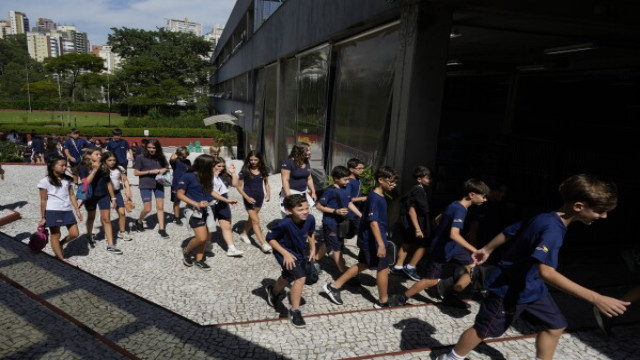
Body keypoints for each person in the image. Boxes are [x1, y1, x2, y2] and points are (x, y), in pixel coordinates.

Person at [438, 174, 629, 360]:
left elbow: (511, 230)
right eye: (599, 210)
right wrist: (596, 298)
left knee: (555, 326)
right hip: (508, 290)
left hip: (533, 288)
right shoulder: (552, 231)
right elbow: (546, 272)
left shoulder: (545, 216)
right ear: (578, 206)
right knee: (483, 330)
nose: (603, 216)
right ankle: (451, 357)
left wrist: (487, 249)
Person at [390, 178, 490, 308]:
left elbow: (438, 219)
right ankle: (401, 298)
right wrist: (475, 250)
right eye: (483, 196)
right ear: (472, 195)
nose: (485, 199)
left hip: (454, 248)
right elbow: (453, 234)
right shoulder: (460, 209)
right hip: (441, 249)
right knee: (430, 281)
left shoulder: (455, 204)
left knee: (473, 268)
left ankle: (451, 297)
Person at [323, 166, 398, 308]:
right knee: (383, 268)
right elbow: (373, 223)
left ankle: (334, 286)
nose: (393, 185)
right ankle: (383, 301)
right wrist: (381, 244)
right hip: (373, 241)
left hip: (370, 239)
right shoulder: (375, 198)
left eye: (395, 182)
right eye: (391, 181)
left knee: (363, 265)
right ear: (381, 180)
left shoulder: (376, 196)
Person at [264, 194, 317, 328]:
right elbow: (270, 239)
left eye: (307, 208)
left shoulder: (310, 219)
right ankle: (294, 311)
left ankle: (273, 292)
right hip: (284, 253)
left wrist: (312, 248)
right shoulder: (283, 223)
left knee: (288, 276)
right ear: (288, 211)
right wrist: (285, 254)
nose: (304, 212)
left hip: (298, 253)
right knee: (300, 278)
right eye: (300, 210)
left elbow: (310, 233)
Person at [315, 165, 362, 274]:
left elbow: (349, 202)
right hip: (330, 223)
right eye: (345, 180)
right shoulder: (330, 191)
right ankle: (343, 272)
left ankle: (314, 260)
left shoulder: (347, 188)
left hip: (341, 223)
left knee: (329, 243)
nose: (347, 182)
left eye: (348, 179)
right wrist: (335, 211)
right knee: (337, 248)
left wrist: (360, 215)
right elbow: (319, 206)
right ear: (336, 178)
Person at [37, 155, 83, 266]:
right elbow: (43, 200)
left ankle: (60, 244)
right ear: (52, 166)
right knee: (55, 234)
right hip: (52, 210)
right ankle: (61, 258)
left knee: (75, 233)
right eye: (61, 165)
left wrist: (77, 210)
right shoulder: (45, 181)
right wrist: (43, 217)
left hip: (67, 210)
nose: (64, 167)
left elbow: (72, 195)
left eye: (65, 165)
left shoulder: (68, 180)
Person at [390, 165, 433, 281]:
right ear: (419, 179)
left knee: (406, 243)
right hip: (414, 224)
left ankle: (398, 267)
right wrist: (418, 228)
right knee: (424, 245)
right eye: (427, 178)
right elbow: (411, 210)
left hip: (409, 224)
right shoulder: (418, 190)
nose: (430, 180)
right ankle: (410, 267)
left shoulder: (417, 190)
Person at [78, 148, 122, 254]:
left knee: (106, 219)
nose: (99, 156)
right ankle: (89, 234)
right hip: (91, 196)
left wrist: (113, 198)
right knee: (91, 217)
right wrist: (94, 169)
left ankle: (111, 244)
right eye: (96, 154)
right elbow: (86, 182)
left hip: (104, 195)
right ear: (89, 155)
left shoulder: (104, 166)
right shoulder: (83, 167)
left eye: (100, 154)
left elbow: (108, 183)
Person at [179, 154, 216, 270]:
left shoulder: (207, 176)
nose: (214, 168)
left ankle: (199, 260)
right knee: (201, 237)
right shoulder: (188, 176)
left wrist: (226, 200)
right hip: (194, 210)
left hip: (207, 210)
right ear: (204, 165)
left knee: (204, 237)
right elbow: (180, 194)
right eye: (212, 165)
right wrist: (196, 204)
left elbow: (210, 191)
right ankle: (186, 251)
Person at [133, 139, 171, 238]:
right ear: (146, 148)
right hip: (145, 184)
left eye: (154, 147)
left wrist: (164, 169)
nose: (151, 149)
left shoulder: (161, 157)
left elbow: (167, 167)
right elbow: (136, 173)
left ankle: (162, 229)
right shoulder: (140, 157)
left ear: (157, 148)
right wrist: (150, 172)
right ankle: (139, 221)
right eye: (149, 147)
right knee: (147, 208)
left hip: (159, 184)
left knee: (160, 207)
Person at [236, 150, 273, 253]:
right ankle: (263, 244)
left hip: (259, 197)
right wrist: (246, 197)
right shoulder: (245, 171)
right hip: (249, 198)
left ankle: (243, 234)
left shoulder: (263, 170)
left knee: (252, 219)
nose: (253, 161)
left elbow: (266, 183)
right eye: (251, 159)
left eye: (255, 160)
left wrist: (268, 193)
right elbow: (238, 187)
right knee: (256, 221)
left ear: (259, 159)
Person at [210, 156, 243, 257]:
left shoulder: (223, 175)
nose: (221, 168)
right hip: (210, 203)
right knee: (208, 226)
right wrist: (227, 200)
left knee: (226, 225)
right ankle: (205, 244)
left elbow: (235, 184)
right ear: (212, 165)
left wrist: (233, 173)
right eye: (218, 166)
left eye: (223, 166)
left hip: (223, 202)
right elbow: (210, 192)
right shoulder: (206, 176)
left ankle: (231, 248)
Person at [104, 151, 133, 241]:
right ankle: (107, 233)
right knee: (106, 215)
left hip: (116, 193)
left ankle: (122, 231)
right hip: (104, 194)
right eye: (109, 160)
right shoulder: (102, 169)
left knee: (122, 212)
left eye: (114, 160)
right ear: (104, 160)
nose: (112, 162)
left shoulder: (119, 169)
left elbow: (125, 180)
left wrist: (128, 189)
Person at [170, 146, 191, 225]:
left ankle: (189, 212)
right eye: (183, 155)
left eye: (186, 155)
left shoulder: (188, 161)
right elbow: (172, 160)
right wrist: (174, 155)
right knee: (177, 201)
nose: (184, 157)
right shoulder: (175, 161)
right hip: (176, 183)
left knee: (189, 198)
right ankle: (176, 217)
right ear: (178, 154)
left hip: (187, 183)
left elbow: (190, 171)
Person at [346, 158, 368, 236]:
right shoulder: (349, 182)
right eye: (359, 168)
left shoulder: (359, 180)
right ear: (351, 169)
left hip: (358, 210)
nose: (362, 170)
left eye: (363, 168)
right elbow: (348, 199)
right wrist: (363, 198)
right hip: (351, 212)